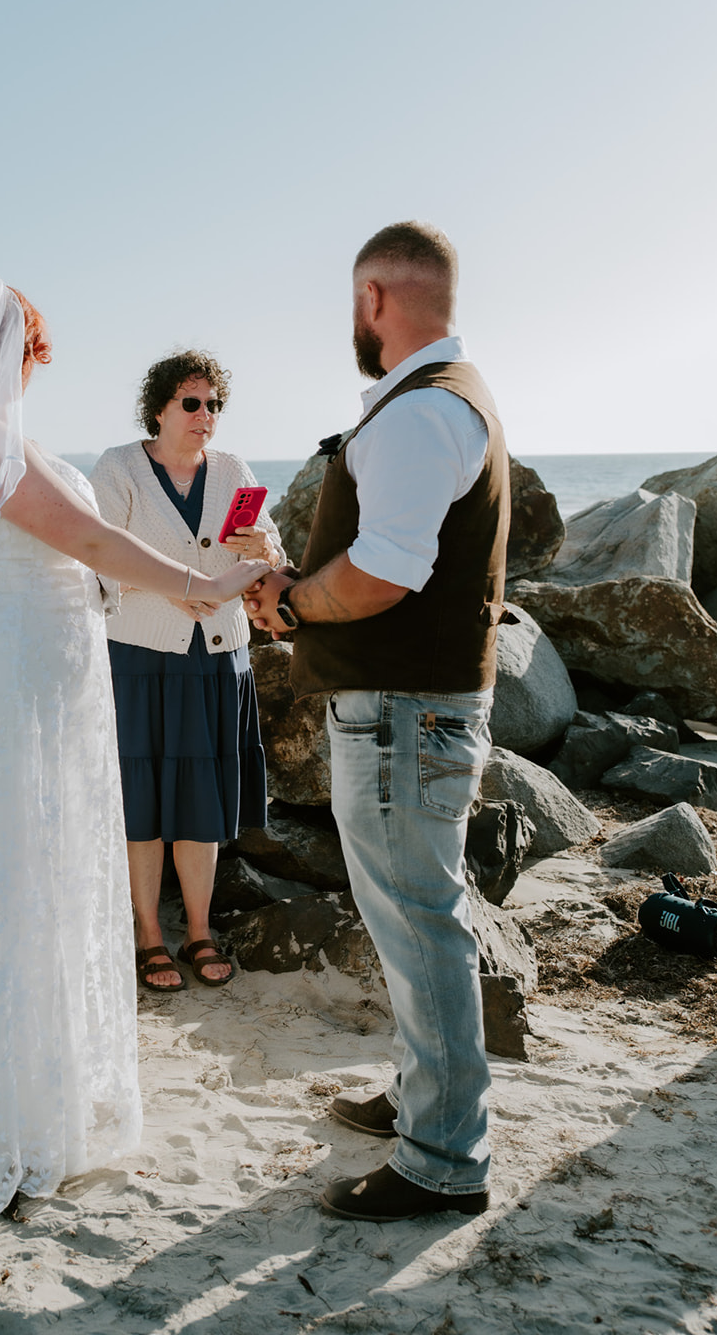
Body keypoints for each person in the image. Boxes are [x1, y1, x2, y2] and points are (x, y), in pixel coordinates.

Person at [0, 274, 267, 1230]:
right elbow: (89, 539)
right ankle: (11, 1120)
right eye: (30, 343)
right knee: (13, 887)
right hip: (15, 685)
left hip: (29, 677)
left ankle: (16, 1093)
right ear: (1, 348)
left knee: (19, 882)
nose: (40, 360)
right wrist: (203, 584)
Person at [245, 221, 510, 1223]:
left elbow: (387, 572)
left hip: (405, 715)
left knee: (421, 922)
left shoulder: (415, 414)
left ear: (375, 301)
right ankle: (419, 1097)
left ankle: (443, 1157)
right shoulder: (452, 400)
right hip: (419, 710)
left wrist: (291, 599)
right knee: (411, 920)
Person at [89, 352, 284, 991]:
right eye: (192, 404)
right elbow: (96, 562)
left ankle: (198, 930)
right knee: (140, 803)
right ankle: (149, 933)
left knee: (199, 805)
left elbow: (268, 552)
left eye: (214, 405)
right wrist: (173, 587)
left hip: (218, 656)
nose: (206, 417)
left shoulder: (233, 470)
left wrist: (263, 549)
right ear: (161, 408)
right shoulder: (118, 467)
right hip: (139, 656)